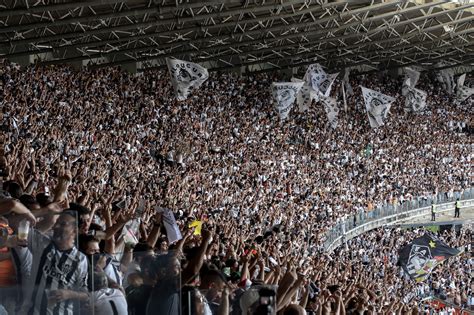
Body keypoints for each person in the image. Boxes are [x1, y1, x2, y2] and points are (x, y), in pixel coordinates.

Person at [19, 211, 90, 315]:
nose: (55, 226)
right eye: (56, 222)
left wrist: (69, 294)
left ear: (75, 231)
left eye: (62, 224)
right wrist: (46, 209)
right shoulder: (42, 243)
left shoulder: (80, 259)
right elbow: (17, 222)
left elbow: (86, 295)